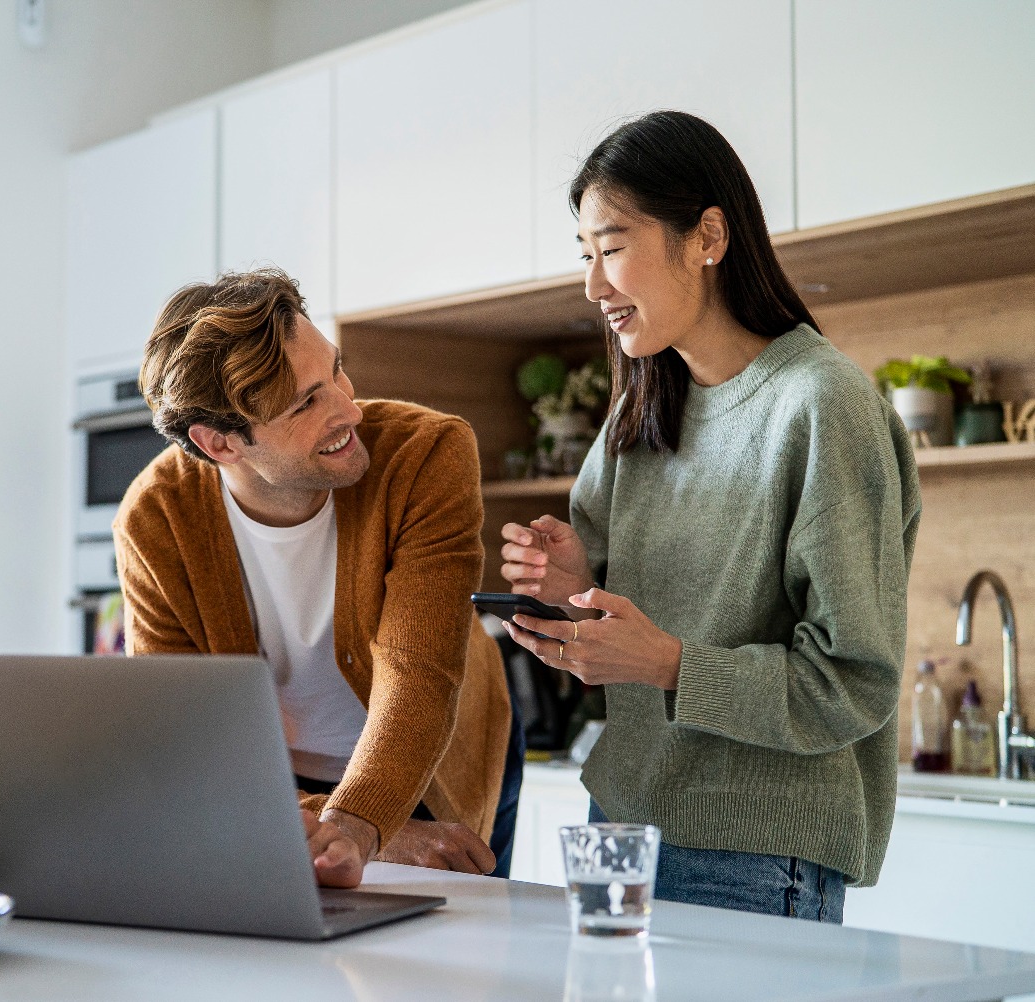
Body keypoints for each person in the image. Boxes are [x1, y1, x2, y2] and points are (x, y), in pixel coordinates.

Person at [498, 111, 920, 922]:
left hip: (755, 854)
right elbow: (623, 622)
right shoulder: (640, 412)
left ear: (709, 236)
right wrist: (573, 585)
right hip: (618, 828)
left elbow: (852, 681)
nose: (593, 287)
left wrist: (669, 665)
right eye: (584, 256)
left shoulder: (822, 406)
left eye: (613, 248)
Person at [114, 267, 522, 887]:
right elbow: (192, 737)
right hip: (269, 789)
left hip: (433, 771)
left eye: (334, 370)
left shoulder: (426, 453)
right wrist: (353, 830)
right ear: (221, 443)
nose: (348, 409)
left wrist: (363, 825)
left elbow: (419, 673)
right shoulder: (155, 519)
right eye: (307, 402)